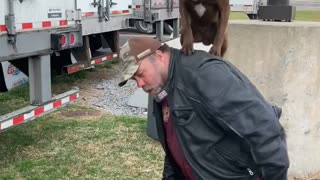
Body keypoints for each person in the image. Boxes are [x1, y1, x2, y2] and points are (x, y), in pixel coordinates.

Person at [118, 37, 289, 180]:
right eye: (134, 80)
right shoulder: (162, 89)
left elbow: (266, 132)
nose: (139, 84)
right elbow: (176, 146)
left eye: (140, 74)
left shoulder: (205, 74)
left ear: (159, 55)